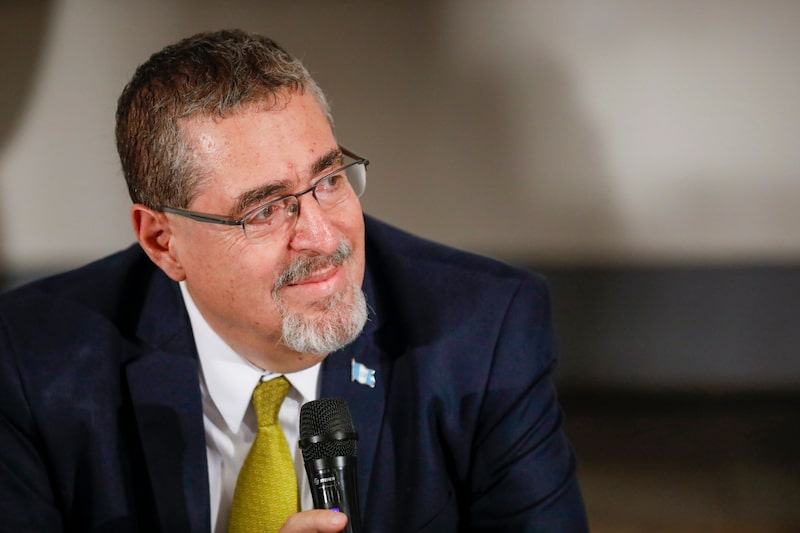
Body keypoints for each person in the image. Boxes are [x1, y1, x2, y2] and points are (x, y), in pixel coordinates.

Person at [0, 29, 588, 532]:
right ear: (163, 242)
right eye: (264, 210)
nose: (322, 237)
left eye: (328, 180)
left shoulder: (484, 329)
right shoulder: (29, 363)